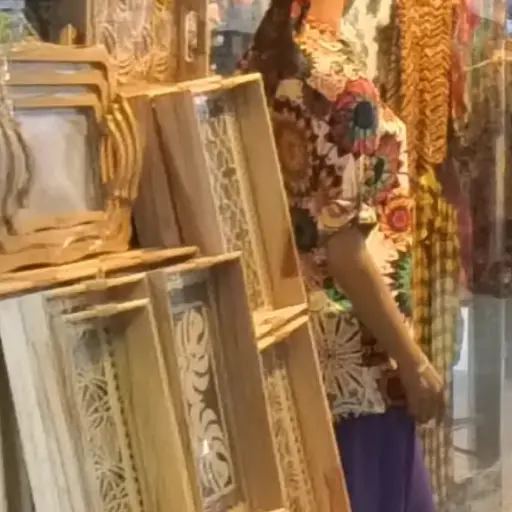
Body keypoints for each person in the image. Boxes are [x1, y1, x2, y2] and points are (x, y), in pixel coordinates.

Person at [238, 0, 444, 510]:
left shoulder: (270, 58)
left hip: (298, 340)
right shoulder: (338, 79)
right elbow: (344, 247)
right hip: (360, 358)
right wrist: (413, 362)